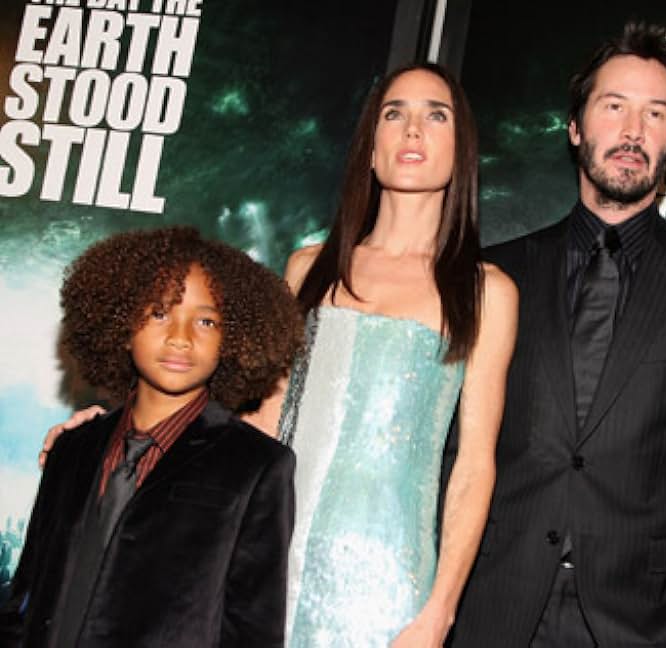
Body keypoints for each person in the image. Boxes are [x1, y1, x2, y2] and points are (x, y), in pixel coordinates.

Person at [41, 63, 518, 647]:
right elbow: (259, 420)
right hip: (269, 552)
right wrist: (122, 436)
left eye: (434, 115)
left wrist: (438, 612)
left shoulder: (485, 290)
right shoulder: (307, 267)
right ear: (370, 146)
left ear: (459, 148)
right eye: (394, 113)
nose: (413, 130)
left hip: (389, 580)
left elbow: (473, 466)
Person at [444, 22, 666, 647]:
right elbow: (451, 447)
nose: (632, 131)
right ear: (575, 127)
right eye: (613, 106)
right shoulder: (494, 274)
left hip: (644, 623)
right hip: (490, 611)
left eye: (656, 114)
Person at [2, 227, 303, 647]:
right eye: (160, 313)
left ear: (231, 339)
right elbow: (26, 595)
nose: (181, 337)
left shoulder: (255, 466)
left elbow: (253, 628)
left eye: (206, 320)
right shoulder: (72, 449)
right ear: (122, 325)